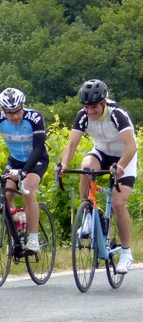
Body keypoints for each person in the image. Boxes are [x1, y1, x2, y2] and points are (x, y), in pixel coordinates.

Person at [56, 79, 138, 274]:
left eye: (94, 107)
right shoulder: (83, 116)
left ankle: (126, 252)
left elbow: (131, 146)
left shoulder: (117, 114)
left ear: (103, 102)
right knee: (86, 168)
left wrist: (120, 166)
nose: (90, 112)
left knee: (118, 203)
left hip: (124, 156)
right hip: (101, 152)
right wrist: (63, 164)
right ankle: (89, 214)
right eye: (87, 107)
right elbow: (72, 144)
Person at [0, 88, 49, 254]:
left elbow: (39, 147)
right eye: (10, 113)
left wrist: (24, 172)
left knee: (27, 191)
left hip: (36, 160)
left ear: (22, 107)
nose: (15, 116)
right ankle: (17, 224)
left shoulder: (34, 117)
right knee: (6, 196)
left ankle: (33, 238)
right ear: (3, 111)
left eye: (17, 111)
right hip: (15, 160)